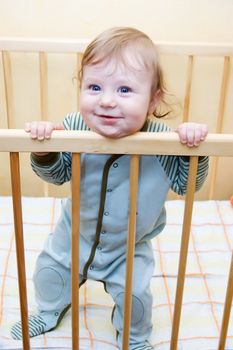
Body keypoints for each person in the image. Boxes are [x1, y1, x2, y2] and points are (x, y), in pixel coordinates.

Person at [11, 27, 209, 350]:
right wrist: (45, 148)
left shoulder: (163, 141)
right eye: (94, 86)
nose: (106, 100)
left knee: (136, 300)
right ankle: (48, 312)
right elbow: (58, 174)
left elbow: (188, 186)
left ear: (153, 99)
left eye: (125, 90)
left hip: (129, 245)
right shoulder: (74, 127)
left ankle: (134, 338)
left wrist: (192, 150)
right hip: (73, 236)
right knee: (47, 274)